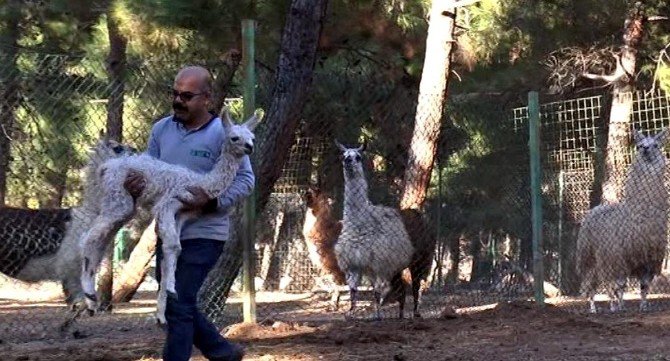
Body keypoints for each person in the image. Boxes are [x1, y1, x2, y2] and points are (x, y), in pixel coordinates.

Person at [124, 65, 251, 361]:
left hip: (205, 233)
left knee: (178, 304)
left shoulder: (225, 133)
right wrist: (136, 185)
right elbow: (151, 175)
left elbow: (246, 180)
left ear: (207, 98)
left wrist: (211, 202)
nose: (178, 100)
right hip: (168, 233)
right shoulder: (161, 130)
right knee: (178, 304)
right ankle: (224, 353)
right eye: (175, 93)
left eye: (187, 95)